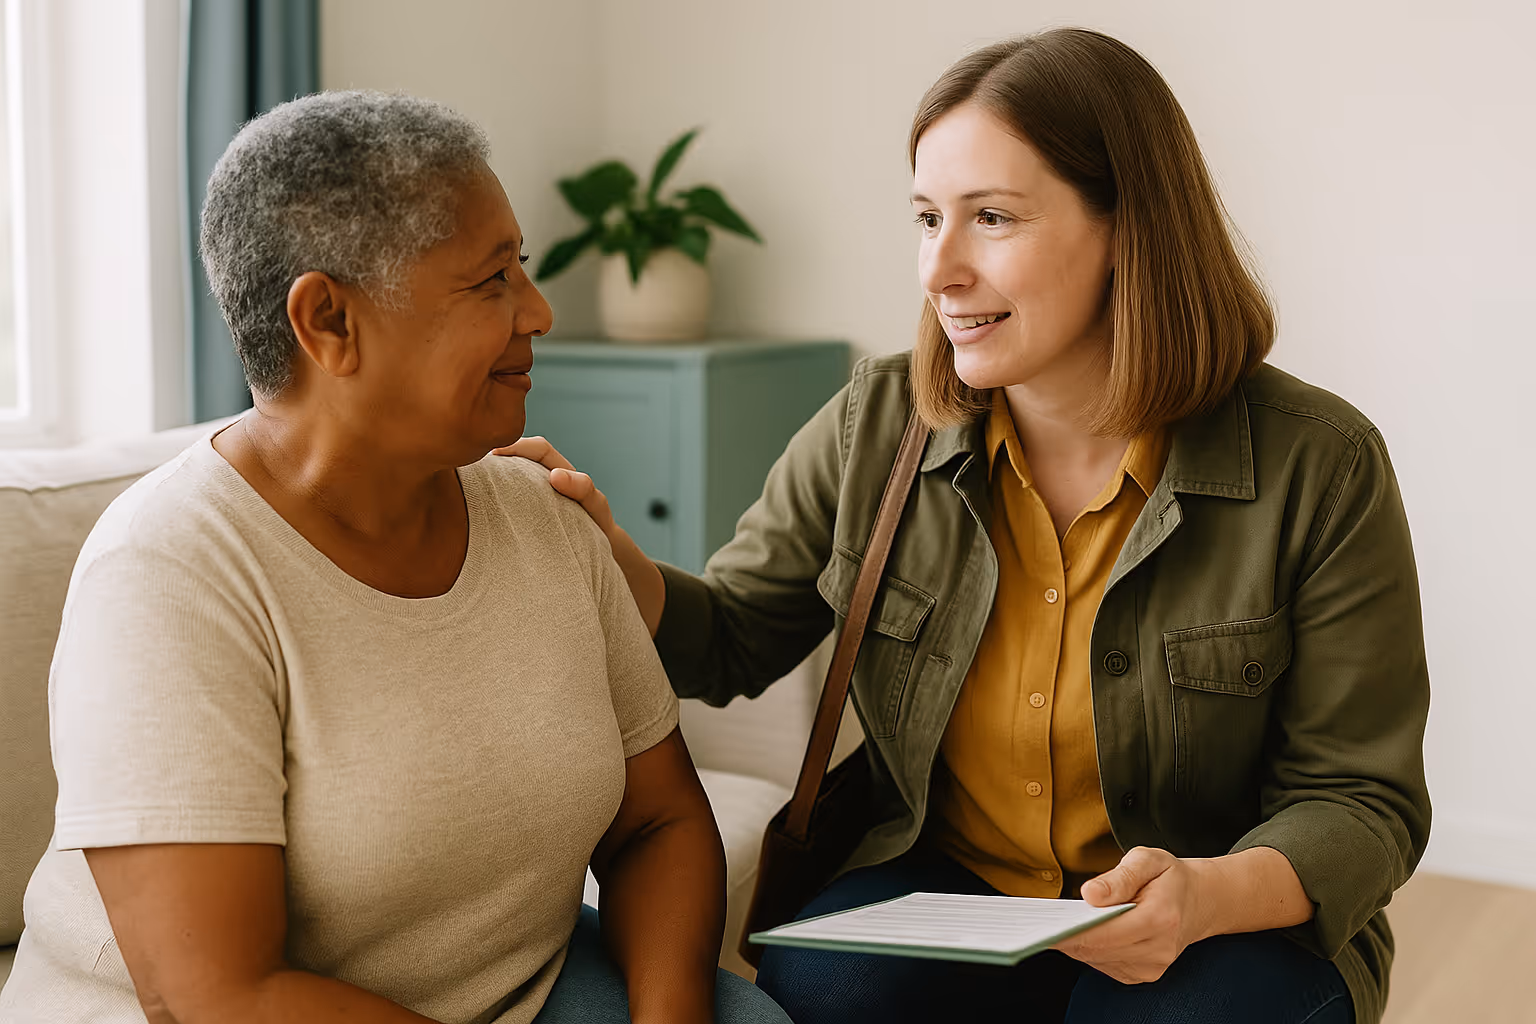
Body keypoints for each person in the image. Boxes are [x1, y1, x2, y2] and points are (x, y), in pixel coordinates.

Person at [507, 27, 1431, 1024]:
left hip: (1222, 916)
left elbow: (1363, 802)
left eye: (991, 218)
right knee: (827, 997)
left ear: (1130, 226)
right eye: (926, 217)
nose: (939, 268)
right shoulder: (878, 424)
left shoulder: (1319, 464)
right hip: (949, 889)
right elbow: (732, 635)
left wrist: (1205, 897)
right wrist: (610, 556)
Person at [0, 92, 791, 1024]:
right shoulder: (166, 576)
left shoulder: (545, 516)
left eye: (522, 268)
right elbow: (218, 994)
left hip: (516, 989)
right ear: (328, 321)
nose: (537, 312)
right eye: (492, 281)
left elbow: (657, 822)